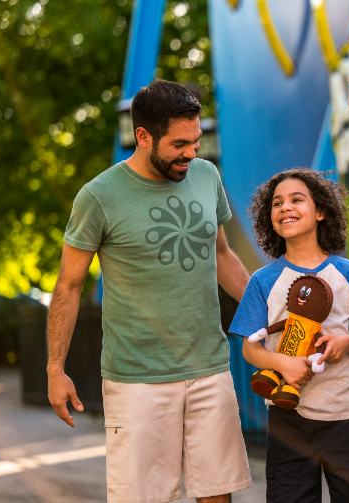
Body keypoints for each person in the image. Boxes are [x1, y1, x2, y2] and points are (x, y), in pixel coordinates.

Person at [47, 79, 252, 503]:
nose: (192, 154)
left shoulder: (206, 175)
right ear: (143, 137)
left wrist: (271, 314)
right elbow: (68, 285)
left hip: (209, 368)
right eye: (180, 144)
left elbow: (222, 256)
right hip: (136, 379)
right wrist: (54, 368)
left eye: (195, 141)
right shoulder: (98, 197)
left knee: (218, 494)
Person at [229, 168, 349, 503]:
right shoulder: (262, 280)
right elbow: (249, 348)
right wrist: (280, 363)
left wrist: (346, 343)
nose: (285, 207)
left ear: (320, 212)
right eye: (277, 203)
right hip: (288, 420)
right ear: (268, 218)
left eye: (296, 199)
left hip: (346, 415)